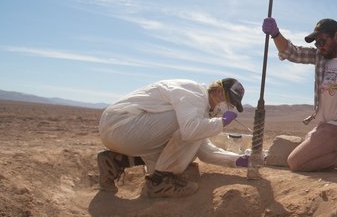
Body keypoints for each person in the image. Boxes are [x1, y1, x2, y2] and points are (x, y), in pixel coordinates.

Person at [97, 78, 248, 198]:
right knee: (189, 128)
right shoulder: (194, 93)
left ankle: (116, 161)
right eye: (230, 102)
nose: (230, 107)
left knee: (186, 150)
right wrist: (221, 122)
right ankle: (159, 182)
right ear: (219, 92)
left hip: (125, 132)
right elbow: (190, 132)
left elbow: (205, 151)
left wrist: (237, 160)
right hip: (120, 124)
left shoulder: (199, 110)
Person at [261, 17, 337, 172]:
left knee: (296, 162)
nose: (319, 46)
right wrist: (275, 34)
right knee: (308, 157)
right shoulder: (320, 57)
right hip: (325, 126)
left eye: (322, 41)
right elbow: (293, 52)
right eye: (316, 43)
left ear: (336, 36)